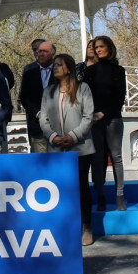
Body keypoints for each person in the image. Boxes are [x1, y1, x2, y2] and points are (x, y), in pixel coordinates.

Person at [40, 53, 95, 246]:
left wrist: (73, 136)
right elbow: (43, 118)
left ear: (69, 68)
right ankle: (64, 230)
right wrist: (54, 137)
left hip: (80, 148)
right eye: (54, 65)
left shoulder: (83, 89)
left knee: (80, 188)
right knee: (59, 190)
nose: (54, 68)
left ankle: (86, 228)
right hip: (55, 149)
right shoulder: (48, 91)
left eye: (59, 65)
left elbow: (89, 116)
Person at [83, 35, 127, 211]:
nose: (98, 49)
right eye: (96, 47)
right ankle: (100, 195)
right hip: (95, 120)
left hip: (113, 118)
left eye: (101, 46)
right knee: (98, 159)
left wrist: (104, 112)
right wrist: (93, 114)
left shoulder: (118, 70)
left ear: (110, 48)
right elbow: (85, 96)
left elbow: (120, 96)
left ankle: (119, 196)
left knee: (116, 157)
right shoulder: (90, 71)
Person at [20, 41, 56, 153]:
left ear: (53, 55)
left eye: (45, 51)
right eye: (39, 51)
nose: (40, 54)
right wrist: (37, 113)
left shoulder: (59, 70)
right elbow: (24, 97)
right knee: (40, 165)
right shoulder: (29, 71)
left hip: (58, 127)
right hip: (37, 126)